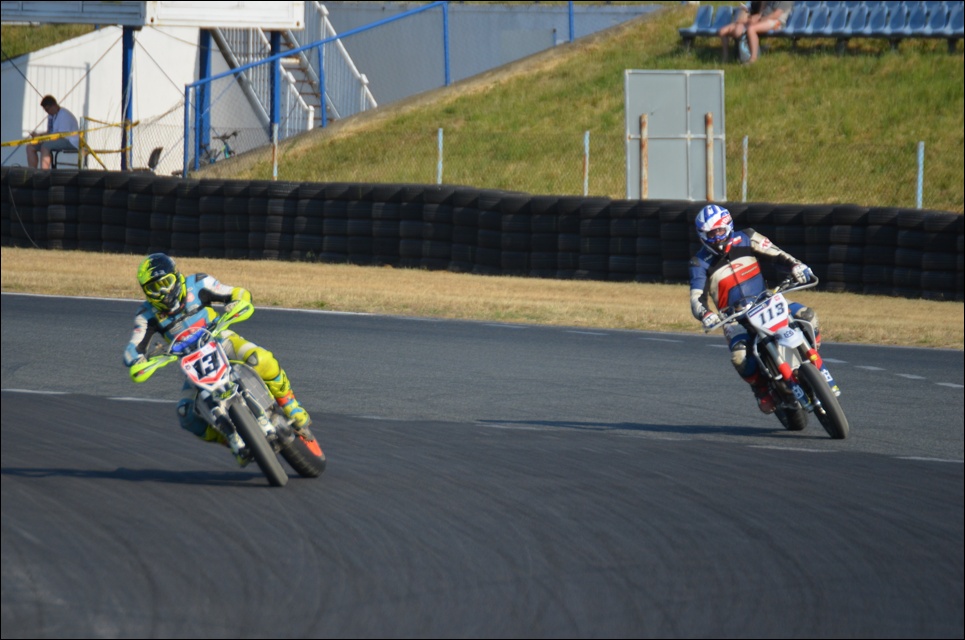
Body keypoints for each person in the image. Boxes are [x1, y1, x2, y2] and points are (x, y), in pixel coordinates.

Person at [123, 253, 312, 465]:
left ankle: (290, 405)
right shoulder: (146, 314)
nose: (162, 292)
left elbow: (235, 292)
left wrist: (237, 302)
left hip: (221, 339)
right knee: (185, 414)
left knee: (261, 359)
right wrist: (136, 359)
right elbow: (133, 347)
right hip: (191, 363)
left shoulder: (198, 283)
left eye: (165, 283)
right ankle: (233, 441)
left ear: (176, 276)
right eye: (153, 288)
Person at [689, 204, 818, 414]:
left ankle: (812, 361)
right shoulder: (699, 263)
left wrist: (796, 266)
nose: (717, 237)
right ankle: (760, 388)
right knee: (739, 356)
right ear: (702, 235)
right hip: (733, 318)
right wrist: (706, 314)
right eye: (711, 233)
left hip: (766, 302)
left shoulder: (747, 237)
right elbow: (696, 298)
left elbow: (777, 254)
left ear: (729, 226)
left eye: (720, 230)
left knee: (808, 316)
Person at [26, 95, 79, 169]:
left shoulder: (64, 115)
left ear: (54, 105)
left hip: (70, 140)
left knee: (46, 146)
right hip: (58, 138)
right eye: (45, 110)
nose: (47, 112)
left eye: (47, 109)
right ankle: (32, 171)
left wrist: (41, 137)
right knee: (30, 146)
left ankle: (44, 172)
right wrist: (38, 135)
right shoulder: (51, 116)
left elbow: (61, 135)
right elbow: (50, 132)